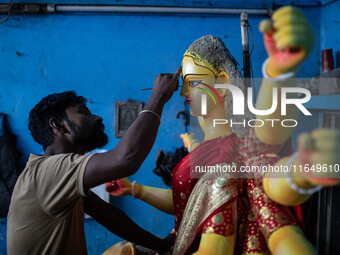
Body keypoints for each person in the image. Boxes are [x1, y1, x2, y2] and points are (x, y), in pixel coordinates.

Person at [105, 6, 340, 255]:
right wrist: (135, 189)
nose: (183, 93)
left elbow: (215, 248)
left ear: (224, 81)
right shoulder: (209, 149)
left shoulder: (225, 162)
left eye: (193, 83)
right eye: (184, 84)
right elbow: (187, 205)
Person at [6, 66, 181, 255]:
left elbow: (108, 215)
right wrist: (158, 97)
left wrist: (162, 246)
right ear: (58, 125)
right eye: (83, 112)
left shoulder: (56, 176)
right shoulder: (49, 171)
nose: (97, 118)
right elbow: (126, 159)